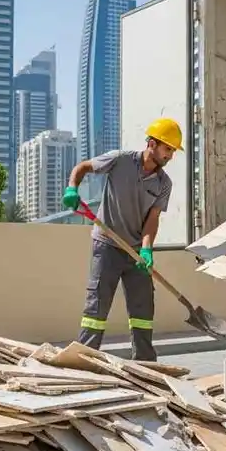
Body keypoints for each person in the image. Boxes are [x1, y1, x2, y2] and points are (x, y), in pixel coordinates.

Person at [60, 118, 182, 362]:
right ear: (151, 144)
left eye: (172, 151)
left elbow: (152, 219)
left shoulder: (164, 184)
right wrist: (72, 189)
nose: (170, 156)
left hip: (136, 251)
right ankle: (84, 360)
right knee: (97, 306)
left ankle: (146, 364)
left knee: (143, 309)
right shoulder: (120, 159)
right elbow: (83, 167)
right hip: (106, 244)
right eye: (167, 148)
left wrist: (147, 250)